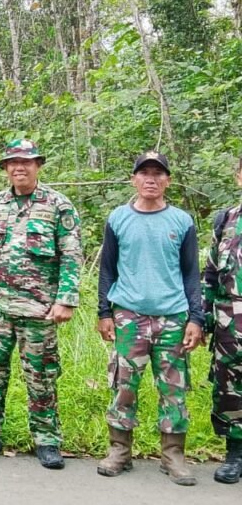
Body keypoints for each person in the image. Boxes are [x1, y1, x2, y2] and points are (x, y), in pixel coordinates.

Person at [0, 139, 81, 469]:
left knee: (41, 376)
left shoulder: (58, 205)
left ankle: (47, 439)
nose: (20, 167)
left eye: (27, 162)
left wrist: (66, 299)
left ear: (38, 166)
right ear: (6, 168)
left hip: (40, 310)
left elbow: (72, 256)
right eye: (13, 162)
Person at [97, 151, 203, 486]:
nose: (151, 179)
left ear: (167, 181)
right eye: (144, 173)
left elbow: (191, 274)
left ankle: (173, 456)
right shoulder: (118, 218)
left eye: (158, 173)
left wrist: (196, 318)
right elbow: (107, 270)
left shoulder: (181, 221)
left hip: (172, 316)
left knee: (173, 389)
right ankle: (119, 451)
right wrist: (104, 312)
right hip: (129, 315)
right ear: (134, 179)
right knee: (123, 386)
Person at [202, 155, 242, 484]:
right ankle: (235, 453)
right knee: (230, 389)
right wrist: (202, 315)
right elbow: (211, 272)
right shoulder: (226, 220)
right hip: (231, 321)